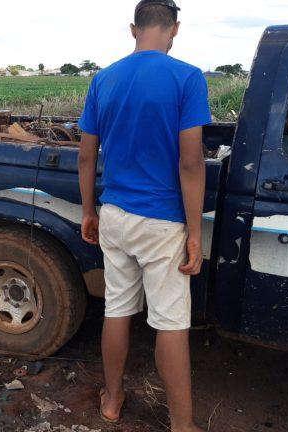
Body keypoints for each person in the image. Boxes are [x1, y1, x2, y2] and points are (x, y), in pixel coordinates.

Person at [77, 1, 210, 431]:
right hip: (162, 221)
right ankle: (183, 425)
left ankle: (112, 400)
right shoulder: (187, 78)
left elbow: (85, 155)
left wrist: (87, 212)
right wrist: (194, 232)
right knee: (170, 323)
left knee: (117, 310)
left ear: (134, 29)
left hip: (114, 213)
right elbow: (191, 163)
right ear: (174, 29)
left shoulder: (104, 79)